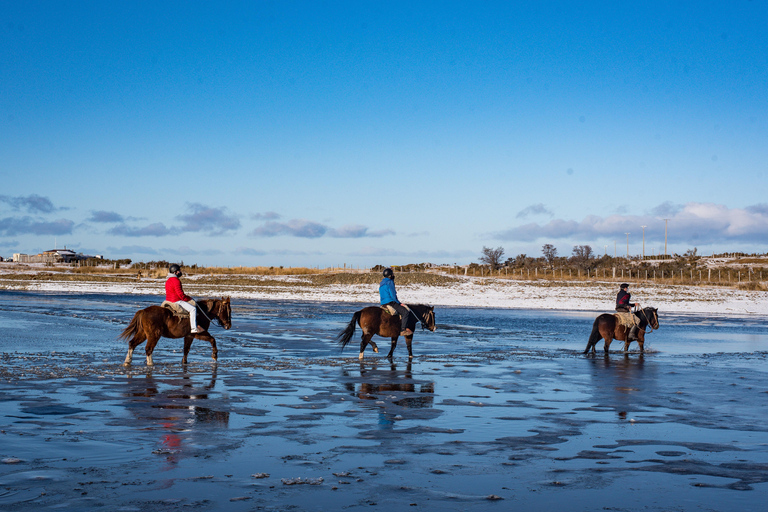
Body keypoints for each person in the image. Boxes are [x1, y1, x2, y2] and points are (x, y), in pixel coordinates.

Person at [165, 264, 202, 333]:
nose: (180, 272)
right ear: (175, 272)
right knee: (193, 309)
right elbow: (180, 295)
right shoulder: (176, 280)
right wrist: (189, 298)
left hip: (168, 300)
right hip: (176, 301)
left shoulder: (168, 280)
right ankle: (193, 328)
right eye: (179, 270)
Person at [379, 267, 413, 337]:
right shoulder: (390, 282)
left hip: (383, 303)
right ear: (390, 275)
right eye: (392, 274)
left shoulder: (382, 283)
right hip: (391, 302)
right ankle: (403, 330)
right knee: (405, 312)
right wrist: (399, 303)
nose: (393, 275)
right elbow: (393, 294)